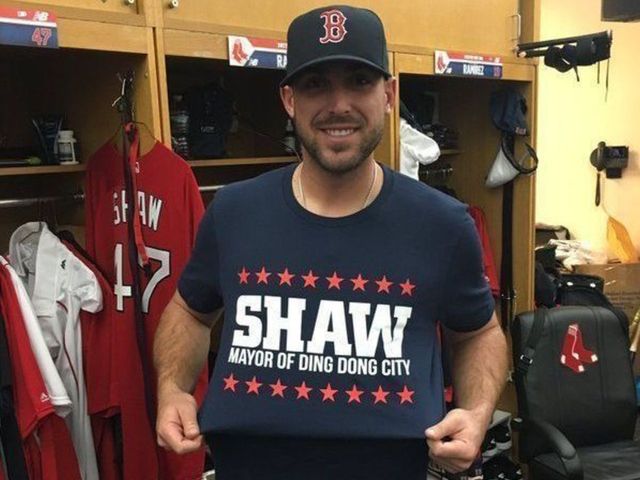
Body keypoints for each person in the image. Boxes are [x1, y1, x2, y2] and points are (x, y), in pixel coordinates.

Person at [154, 5, 508, 479]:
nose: (338, 104)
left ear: (389, 94)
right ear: (288, 99)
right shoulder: (234, 212)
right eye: (315, 84)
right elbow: (190, 311)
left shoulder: (442, 225)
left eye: (359, 82)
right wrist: (172, 388)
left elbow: (479, 333)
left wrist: (477, 411)